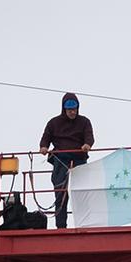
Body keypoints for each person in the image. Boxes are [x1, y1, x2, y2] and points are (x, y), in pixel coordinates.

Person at [38, 92, 94, 229]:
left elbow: (89, 137)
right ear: (64, 109)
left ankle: (84, 225)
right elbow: (46, 137)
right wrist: (44, 147)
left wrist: (87, 144)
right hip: (60, 162)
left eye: (74, 109)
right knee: (60, 194)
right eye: (69, 110)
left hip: (79, 161)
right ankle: (61, 227)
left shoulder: (84, 122)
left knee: (81, 194)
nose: (72, 112)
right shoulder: (54, 123)